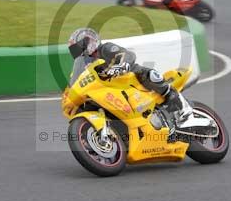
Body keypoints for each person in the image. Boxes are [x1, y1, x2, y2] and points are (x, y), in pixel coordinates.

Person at [67, 28, 196, 129]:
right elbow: (75, 81)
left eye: (78, 47)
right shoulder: (84, 65)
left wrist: (121, 64)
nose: (78, 51)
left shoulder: (105, 48)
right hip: (112, 88)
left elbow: (125, 54)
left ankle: (182, 108)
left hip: (130, 76)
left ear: (89, 41)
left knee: (148, 75)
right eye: (75, 49)